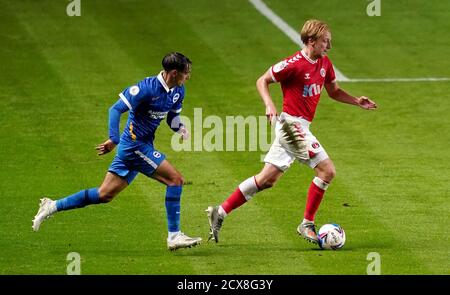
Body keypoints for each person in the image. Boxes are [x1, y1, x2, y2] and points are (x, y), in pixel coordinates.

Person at [206, 20, 377, 245]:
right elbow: (262, 80)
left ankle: (220, 211)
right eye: (325, 41)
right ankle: (306, 223)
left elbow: (333, 92)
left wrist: (356, 101)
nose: (329, 45)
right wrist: (269, 104)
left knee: (267, 179)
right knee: (327, 172)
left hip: (301, 127)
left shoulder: (325, 63)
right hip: (290, 127)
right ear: (311, 41)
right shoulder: (293, 64)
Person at [32, 52, 202, 251]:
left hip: (140, 146)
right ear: (174, 73)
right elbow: (115, 109)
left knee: (105, 194)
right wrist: (113, 139)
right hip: (134, 146)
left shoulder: (178, 91)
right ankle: (174, 236)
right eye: (186, 73)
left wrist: (180, 128)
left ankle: (52, 206)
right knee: (175, 180)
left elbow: (172, 118)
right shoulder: (145, 89)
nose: (188, 76)